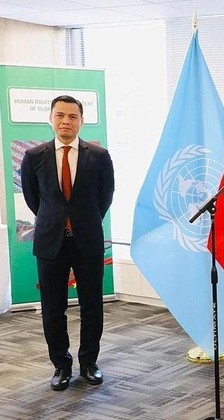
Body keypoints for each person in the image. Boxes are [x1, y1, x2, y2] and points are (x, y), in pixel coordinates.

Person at [20, 95, 115, 391]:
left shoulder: (98, 156)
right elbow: (33, 198)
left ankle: (89, 362)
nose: (66, 121)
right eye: (60, 115)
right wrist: (56, 221)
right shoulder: (34, 156)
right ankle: (61, 365)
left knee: (91, 305)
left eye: (72, 116)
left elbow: (105, 196)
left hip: (87, 240)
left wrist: (81, 220)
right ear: (50, 119)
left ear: (81, 121)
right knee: (52, 306)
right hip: (50, 242)